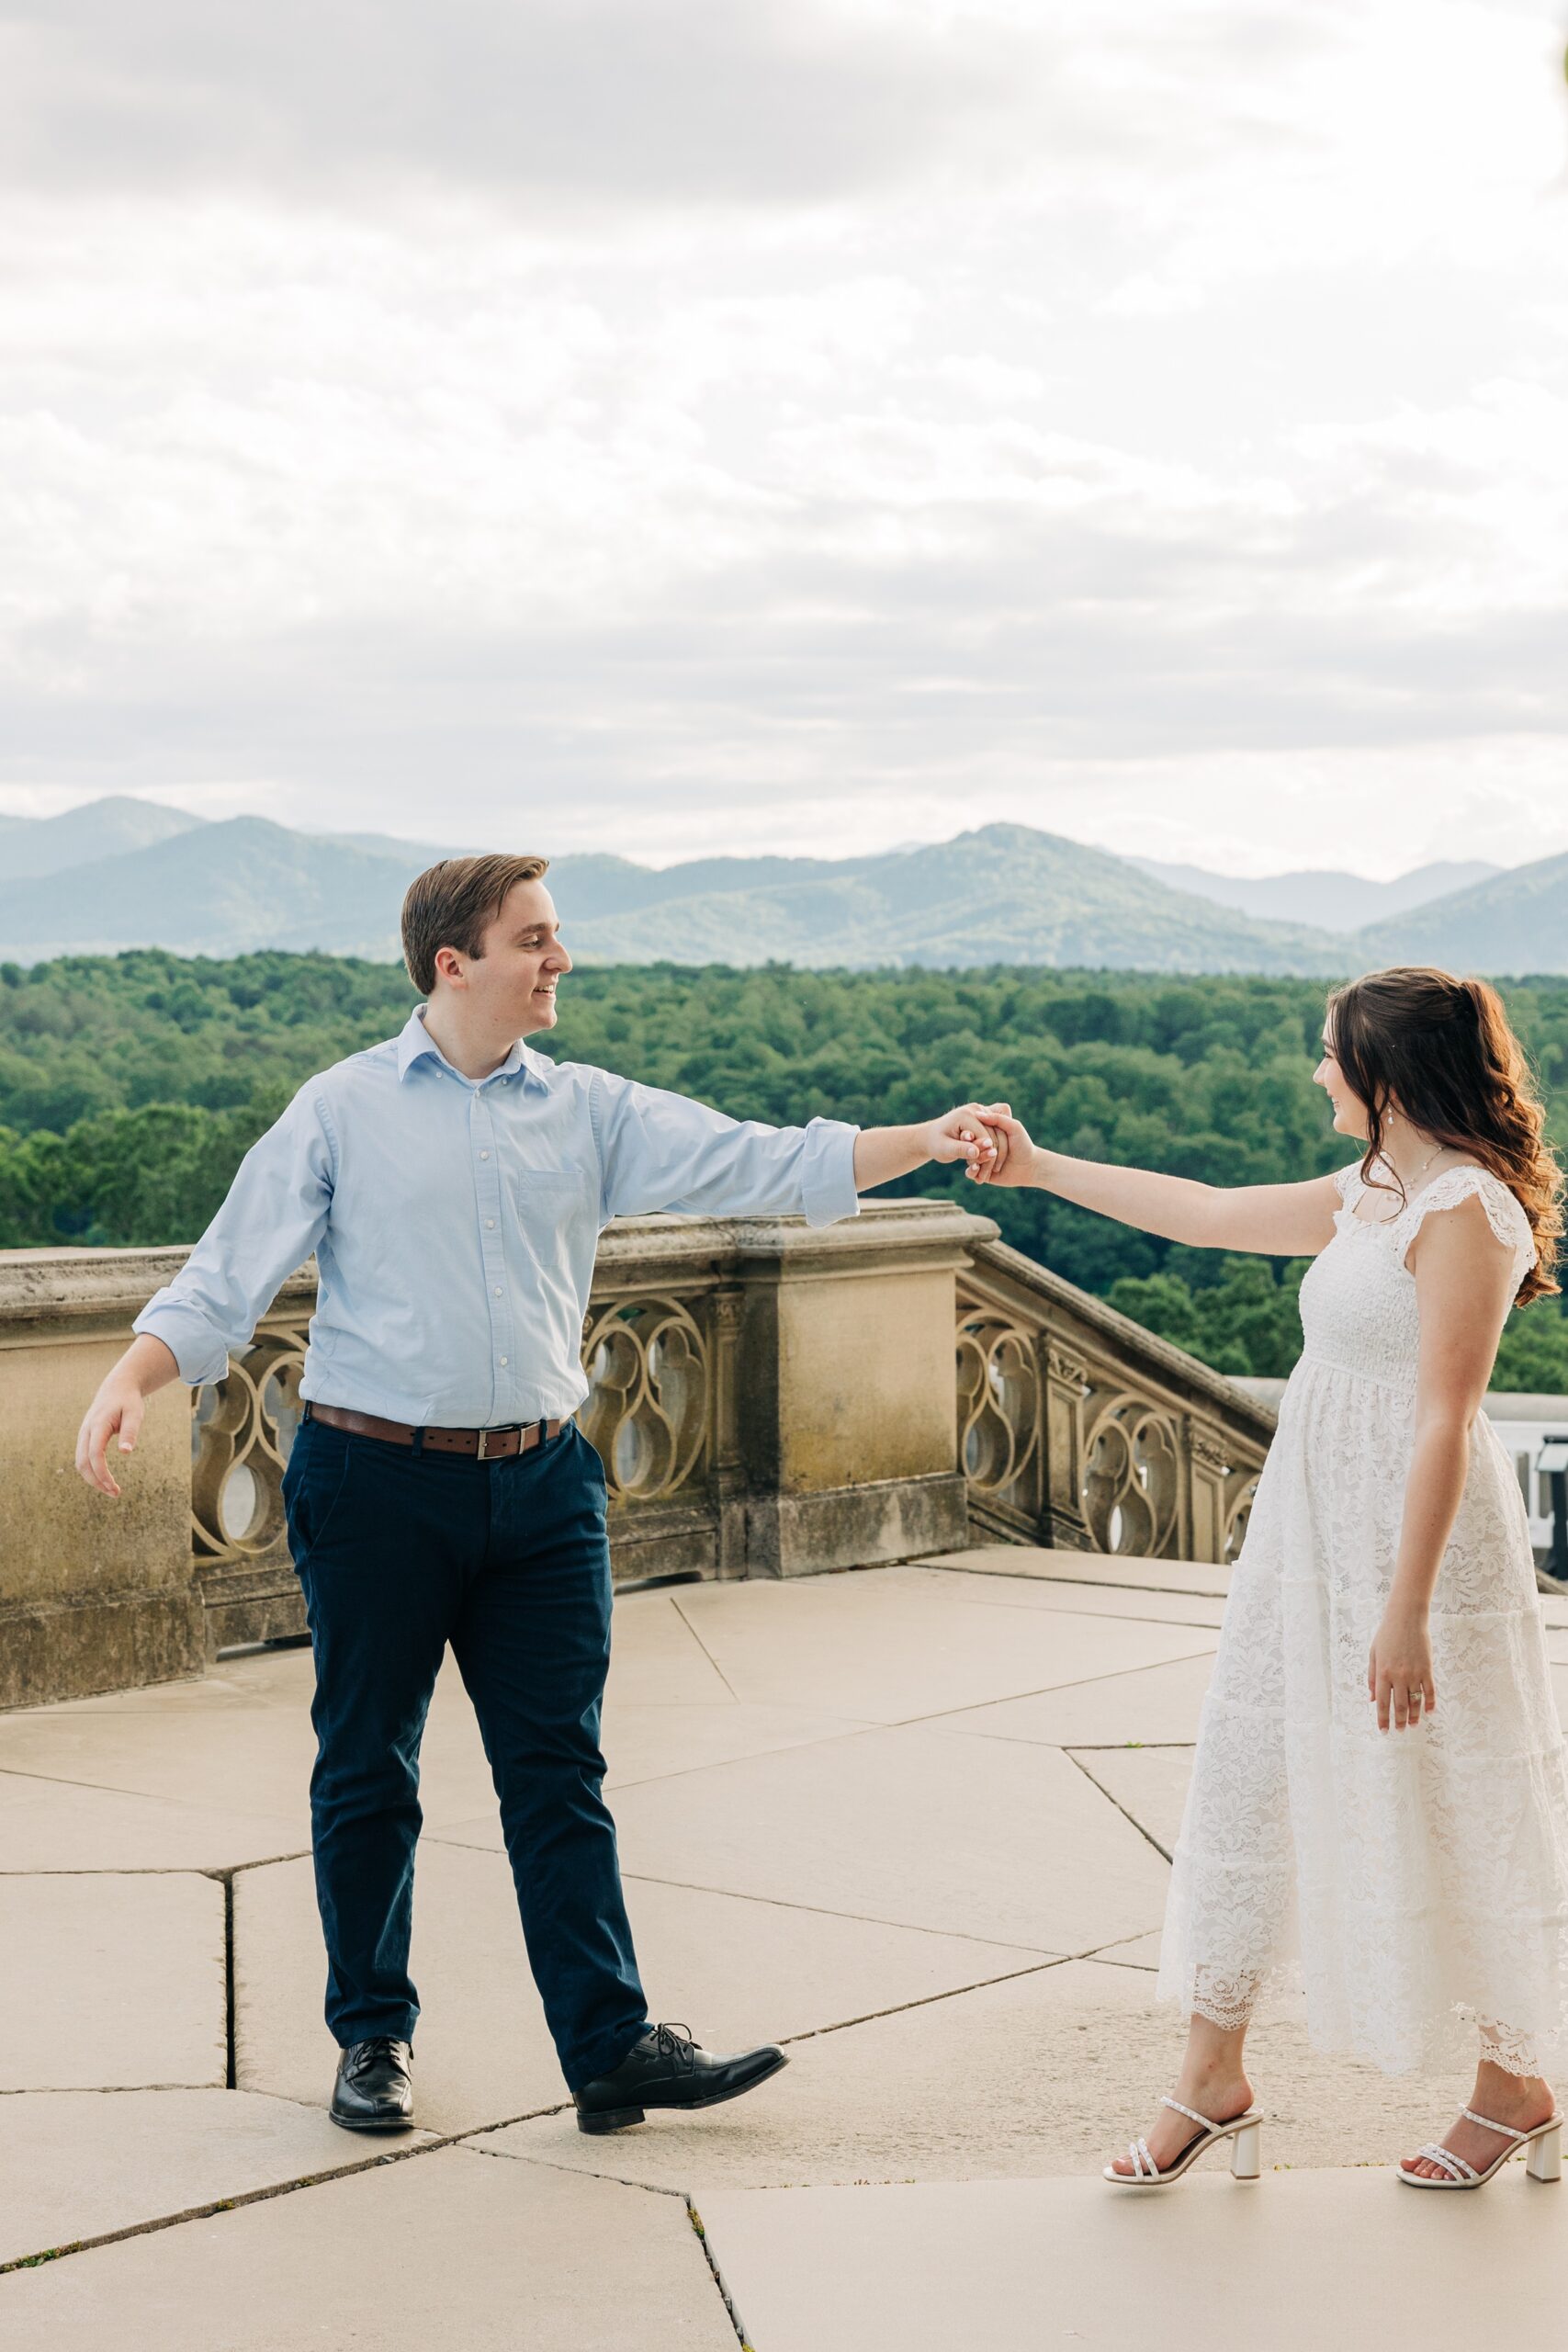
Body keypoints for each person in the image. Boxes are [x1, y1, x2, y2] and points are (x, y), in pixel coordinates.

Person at [74, 852, 1001, 2138]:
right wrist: (135, 1372)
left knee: (559, 1772)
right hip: (372, 1486)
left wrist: (929, 1141)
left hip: (543, 1491)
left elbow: (760, 1162)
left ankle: (610, 2048)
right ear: (454, 962)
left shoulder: (589, 1111)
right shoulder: (339, 1110)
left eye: (556, 938)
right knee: (366, 1771)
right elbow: (226, 1279)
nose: (559, 959)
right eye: (535, 940)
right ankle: (373, 2039)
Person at [973, 967, 1568, 2191]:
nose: (1315, 1070)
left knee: (1452, 1799)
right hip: (1311, 1539)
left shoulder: (1464, 1209)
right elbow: (1200, 1209)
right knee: (1251, 1778)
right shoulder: (1373, 1190)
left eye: (1328, 1052)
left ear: (1387, 1072)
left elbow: (1449, 1420)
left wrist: (1403, 1616)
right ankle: (1212, 2075)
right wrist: (1040, 1169)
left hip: (1419, 1556)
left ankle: (1513, 2084)